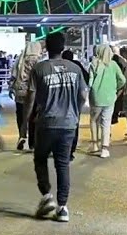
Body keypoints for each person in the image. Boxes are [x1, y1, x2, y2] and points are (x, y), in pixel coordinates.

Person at [26, 31, 87, 223]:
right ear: (63, 47)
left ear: (47, 47)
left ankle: (46, 196)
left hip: (46, 123)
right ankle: (63, 207)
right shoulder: (75, 69)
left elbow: (30, 98)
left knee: (40, 158)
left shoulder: (39, 69)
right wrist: (75, 112)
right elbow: (83, 95)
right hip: (68, 124)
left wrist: (24, 124)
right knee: (62, 164)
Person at [87, 44, 126, 158]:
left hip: (96, 97)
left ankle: (94, 145)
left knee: (94, 120)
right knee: (106, 122)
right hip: (110, 98)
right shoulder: (113, 65)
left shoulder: (93, 64)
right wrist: (115, 90)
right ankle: (104, 149)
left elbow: (90, 83)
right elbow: (122, 80)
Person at [11, 36, 43, 151]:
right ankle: (33, 143)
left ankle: (22, 135)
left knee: (21, 116)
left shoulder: (20, 59)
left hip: (20, 92)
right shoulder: (38, 60)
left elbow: (13, 75)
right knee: (33, 117)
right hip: (34, 92)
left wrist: (11, 88)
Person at [63, 49, 90, 159]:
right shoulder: (77, 65)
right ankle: (71, 150)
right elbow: (87, 78)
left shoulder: (60, 66)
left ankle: (62, 149)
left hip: (62, 99)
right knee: (74, 124)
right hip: (75, 99)